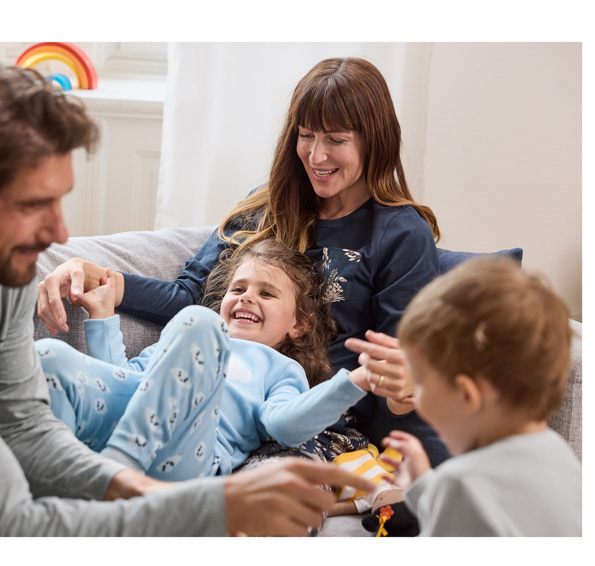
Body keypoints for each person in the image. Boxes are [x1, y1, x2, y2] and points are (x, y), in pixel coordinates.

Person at [0, 61, 375, 537]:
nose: (58, 232)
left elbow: (23, 424)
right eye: (34, 204)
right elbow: (3, 525)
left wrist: (153, 494)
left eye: (60, 200)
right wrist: (208, 510)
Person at [37, 56, 449, 467]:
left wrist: (420, 473)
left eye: (336, 140)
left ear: (373, 141)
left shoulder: (399, 234)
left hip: (311, 421)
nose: (316, 156)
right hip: (210, 392)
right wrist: (102, 278)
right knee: (70, 356)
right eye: (306, 136)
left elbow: (400, 368)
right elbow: (191, 299)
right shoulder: (265, 208)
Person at [39, 239, 409, 482]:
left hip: (185, 461)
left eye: (266, 293)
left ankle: (116, 478)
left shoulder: (280, 369)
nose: (247, 298)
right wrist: (102, 315)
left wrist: (355, 381)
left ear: (298, 324)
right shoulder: (181, 340)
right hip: (125, 428)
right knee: (51, 356)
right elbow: (118, 379)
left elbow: (286, 426)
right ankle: (57, 480)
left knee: (199, 322)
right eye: (238, 289)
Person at [381, 257, 581, 536]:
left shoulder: (461, 483)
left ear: (466, 396)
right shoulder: (563, 459)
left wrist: (442, 489)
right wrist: (426, 487)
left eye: (421, 383)